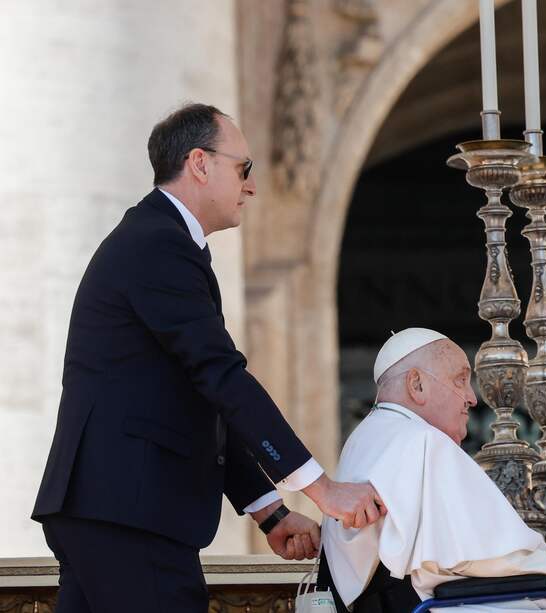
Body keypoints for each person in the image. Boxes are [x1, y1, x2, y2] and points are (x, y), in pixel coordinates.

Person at [31, 103, 385, 613]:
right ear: (199, 163)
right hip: (131, 515)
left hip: (108, 510)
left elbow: (199, 400)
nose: (252, 186)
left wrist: (270, 512)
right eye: (243, 168)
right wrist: (323, 490)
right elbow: (223, 378)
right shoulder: (160, 245)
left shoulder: (158, 240)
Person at [320, 328, 546, 612]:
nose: (472, 398)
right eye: (460, 380)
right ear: (416, 384)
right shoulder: (422, 440)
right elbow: (485, 561)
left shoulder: (362, 440)